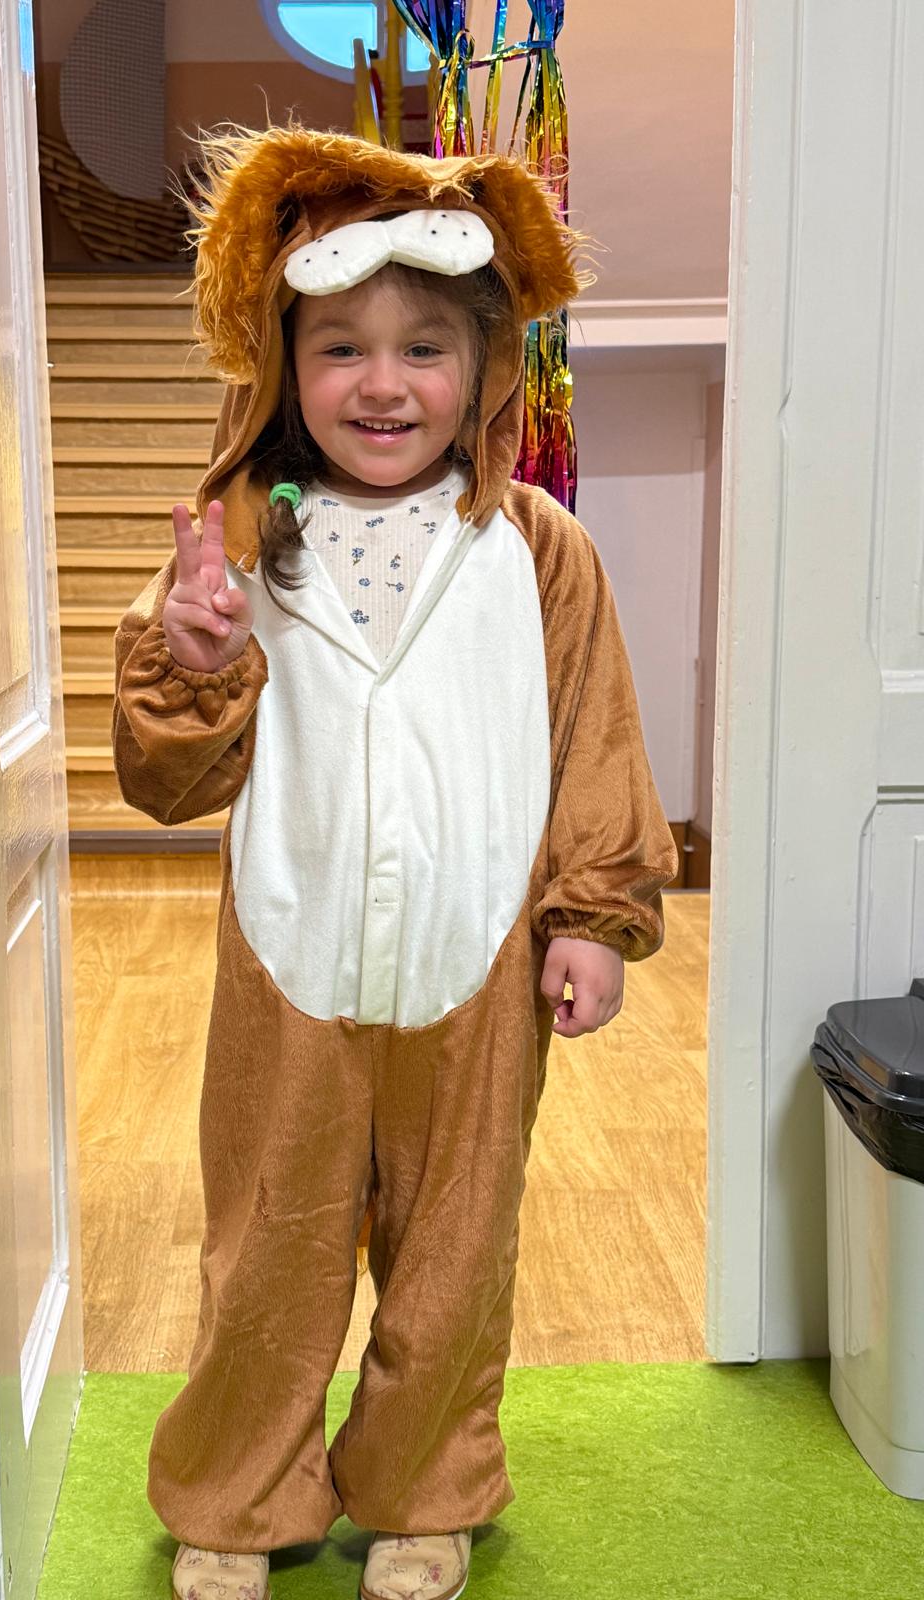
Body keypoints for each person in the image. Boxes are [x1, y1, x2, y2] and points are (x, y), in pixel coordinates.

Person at [112, 124, 680, 1600]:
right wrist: (193, 663)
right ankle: (239, 1497)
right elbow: (167, 780)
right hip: (288, 959)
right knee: (267, 1249)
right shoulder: (237, 547)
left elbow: (596, 739)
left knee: (455, 1251)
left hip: (475, 964)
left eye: (424, 348)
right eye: (342, 350)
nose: (383, 384)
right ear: (282, 366)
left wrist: (594, 915)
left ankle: (427, 1491)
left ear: (483, 368)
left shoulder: (540, 551)